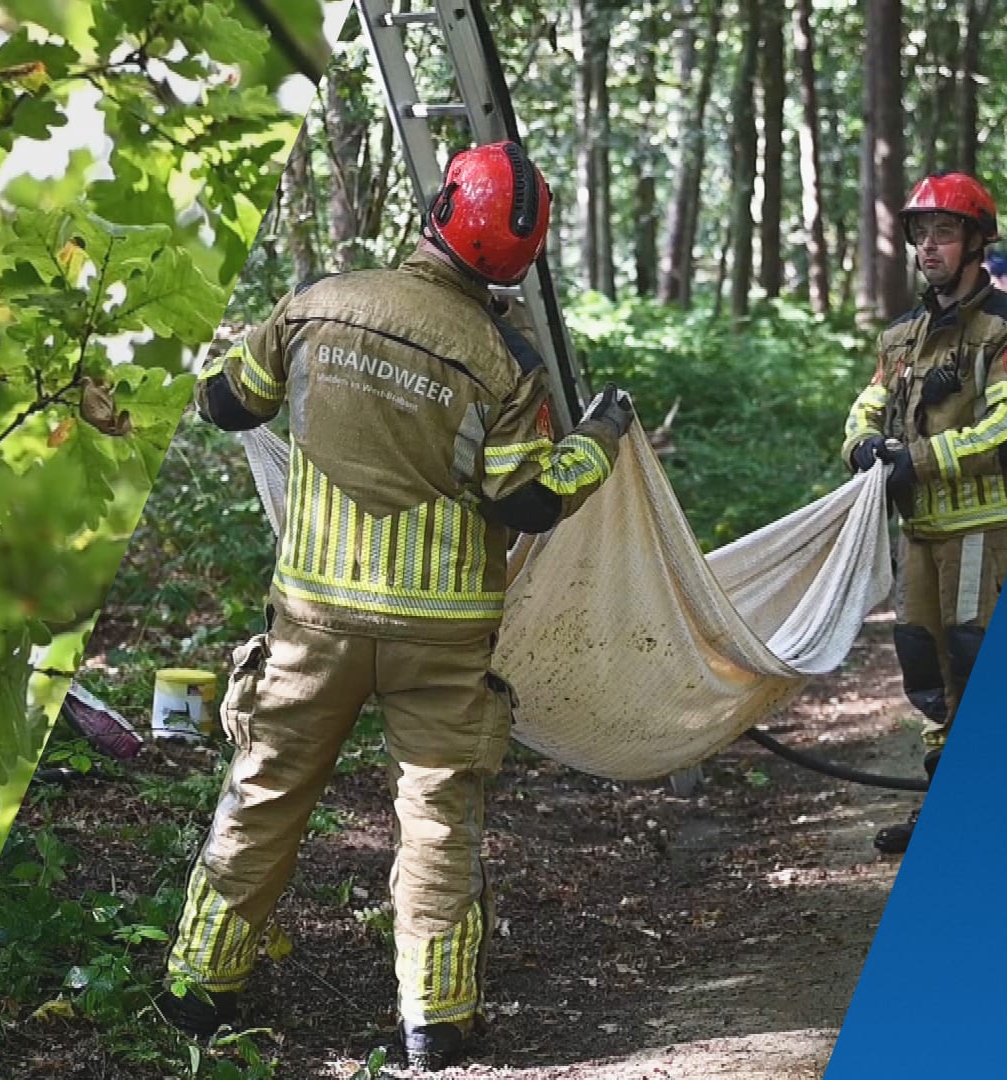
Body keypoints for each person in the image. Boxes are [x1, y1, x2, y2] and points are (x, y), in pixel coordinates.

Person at [159, 141, 637, 1071]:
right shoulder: (506, 363)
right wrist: (599, 440)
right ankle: (436, 1022)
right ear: (518, 259)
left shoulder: (320, 303)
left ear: (438, 206)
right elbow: (526, 500)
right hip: (442, 637)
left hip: (317, 621)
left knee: (263, 791)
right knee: (437, 816)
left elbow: (224, 403)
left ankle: (200, 986)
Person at [841, 172, 1007, 856]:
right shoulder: (902, 335)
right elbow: (868, 405)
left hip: (987, 535)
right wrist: (863, 442)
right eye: (921, 233)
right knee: (925, 672)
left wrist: (920, 459)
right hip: (922, 535)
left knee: (977, 663)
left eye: (946, 232)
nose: (929, 247)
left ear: (977, 242)